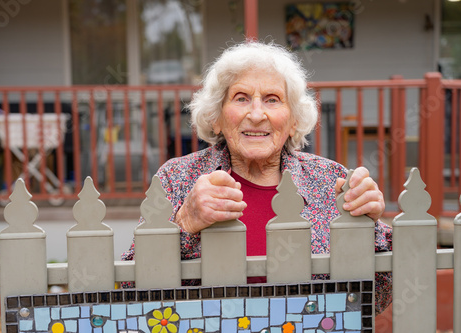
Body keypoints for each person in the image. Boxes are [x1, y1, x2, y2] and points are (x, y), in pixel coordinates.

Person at [122, 41, 392, 313]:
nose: (256, 114)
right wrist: (185, 222)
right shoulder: (177, 177)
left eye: (272, 100)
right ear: (216, 117)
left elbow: (373, 301)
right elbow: (130, 294)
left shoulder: (329, 179)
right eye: (241, 98)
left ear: (293, 120)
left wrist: (371, 226)